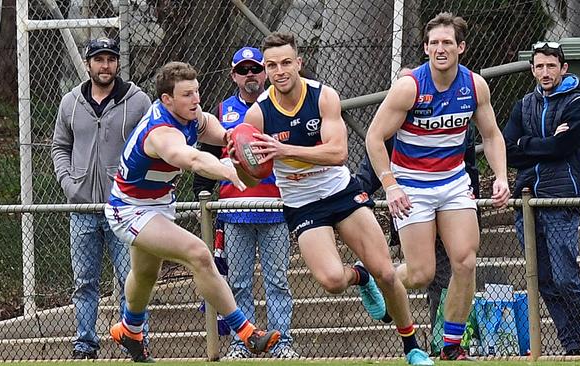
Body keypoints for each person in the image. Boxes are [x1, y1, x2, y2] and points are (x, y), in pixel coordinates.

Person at [239, 31, 433, 366]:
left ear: (299, 63)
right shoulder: (258, 115)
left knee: (387, 273)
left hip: (340, 192)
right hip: (302, 204)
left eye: (286, 62)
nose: (280, 70)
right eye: (272, 65)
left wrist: (284, 149)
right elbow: (251, 177)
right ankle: (360, 276)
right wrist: (240, 161)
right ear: (265, 70)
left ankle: (412, 348)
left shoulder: (323, 96)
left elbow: (338, 152)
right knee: (330, 281)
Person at [103, 61, 280, 362]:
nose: (195, 100)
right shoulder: (160, 133)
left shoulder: (192, 116)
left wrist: (231, 140)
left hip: (159, 204)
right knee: (198, 252)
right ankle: (248, 333)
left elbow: (212, 127)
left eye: (196, 92)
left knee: (146, 273)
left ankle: (130, 329)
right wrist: (227, 170)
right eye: (187, 95)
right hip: (130, 209)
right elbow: (193, 159)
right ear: (166, 100)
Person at [365, 13, 510, 361]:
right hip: (411, 185)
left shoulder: (475, 86)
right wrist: (391, 185)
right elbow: (374, 136)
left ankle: (450, 346)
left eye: (447, 42)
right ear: (426, 48)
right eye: (434, 43)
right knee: (420, 273)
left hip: (454, 183)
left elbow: (491, 135)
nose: (440, 49)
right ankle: (375, 280)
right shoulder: (410, 87)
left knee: (466, 261)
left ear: (461, 47)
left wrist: (502, 176)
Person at [192, 46, 297, 359]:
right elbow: (206, 157)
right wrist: (203, 202)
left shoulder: (278, 106)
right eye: (243, 70)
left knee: (277, 281)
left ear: (264, 72)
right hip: (234, 210)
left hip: (275, 208)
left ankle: (282, 341)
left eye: (255, 69)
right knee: (238, 282)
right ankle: (244, 341)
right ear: (233, 75)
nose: (250, 75)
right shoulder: (222, 112)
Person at [51, 37, 151, 360]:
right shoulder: (70, 102)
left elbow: (153, 143)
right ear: (88, 63)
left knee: (130, 279)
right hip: (82, 209)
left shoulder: (137, 101)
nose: (105, 65)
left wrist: (134, 183)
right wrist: (69, 182)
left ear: (118, 63)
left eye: (110, 59)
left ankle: (136, 341)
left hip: (123, 208)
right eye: (99, 59)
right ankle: (85, 343)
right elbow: (59, 146)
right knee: (84, 281)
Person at [503, 41, 580, 355]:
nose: (545, 72)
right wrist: (543, 142)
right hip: (527, 201)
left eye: (551, 66)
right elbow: (508, 150)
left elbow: (563, 148)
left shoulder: (578, 103)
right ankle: (571, 347)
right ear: (532, 70)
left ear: (563, 68)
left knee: (565, 279)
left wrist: (526, 143)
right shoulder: (524, 104)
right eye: (539, 66)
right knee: (544, 281)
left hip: (560, 199)